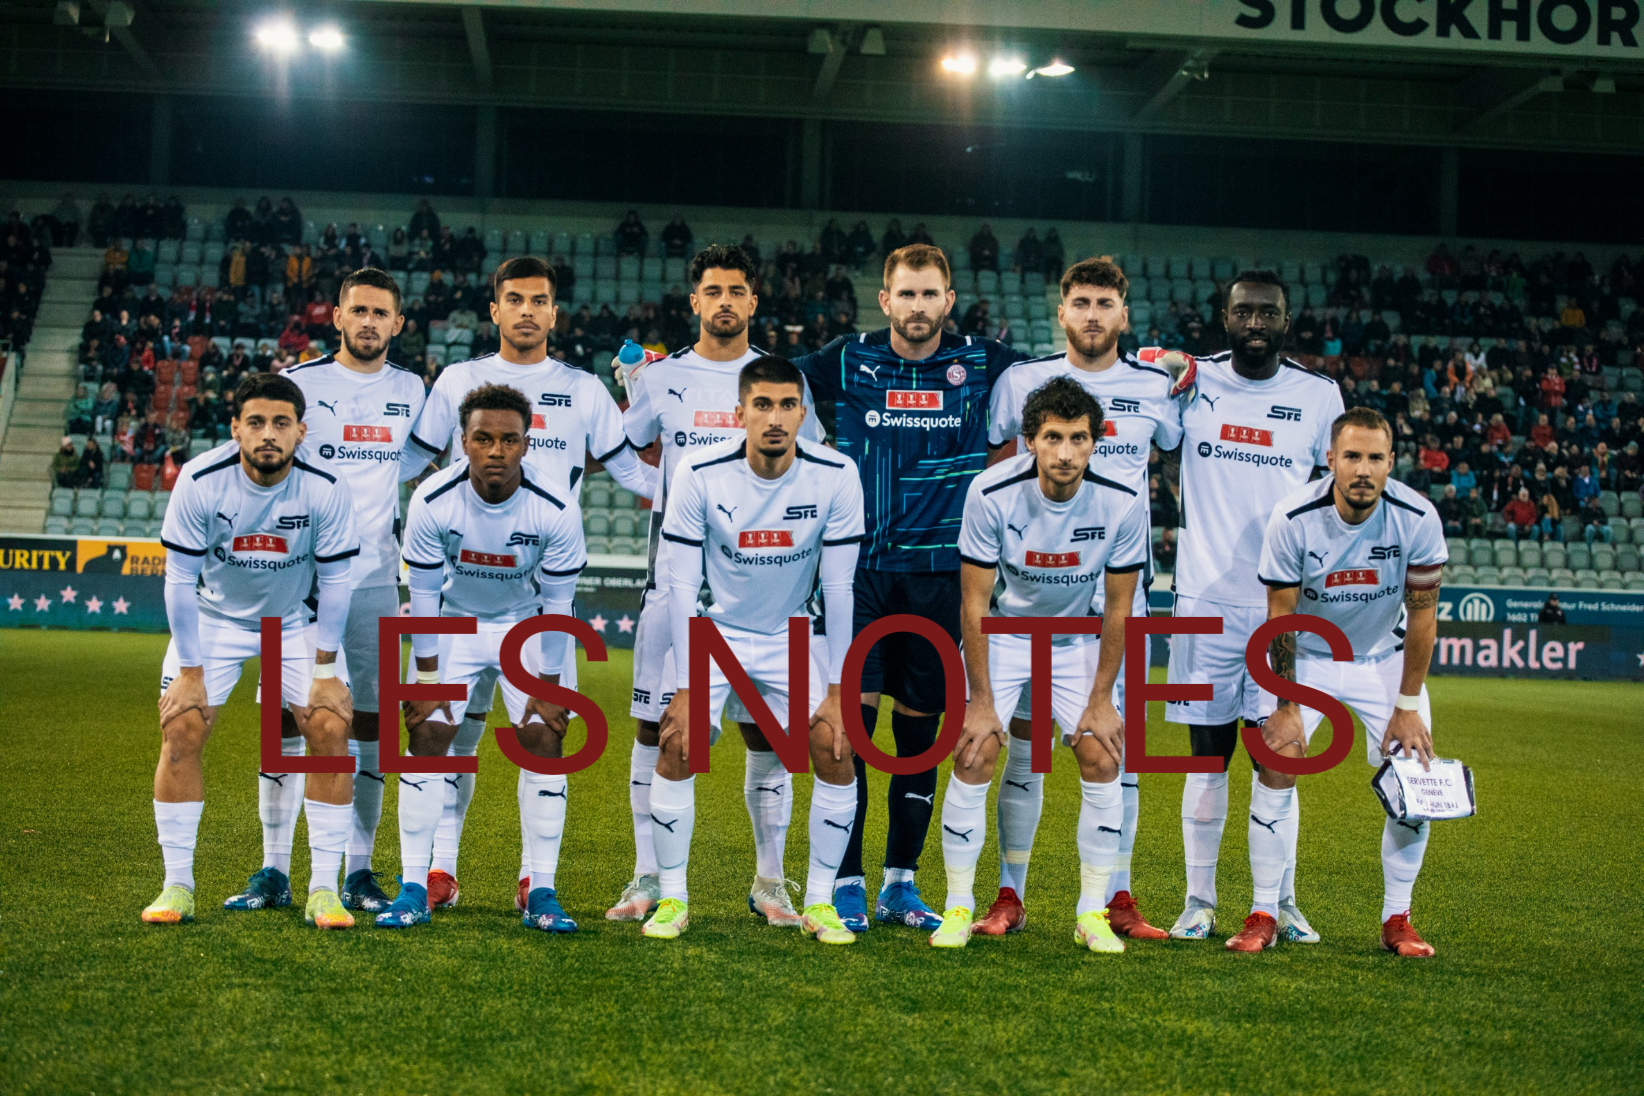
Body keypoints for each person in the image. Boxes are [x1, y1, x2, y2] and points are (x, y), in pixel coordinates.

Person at [787, 243, 1033, 932]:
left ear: (949, 300)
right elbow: (766, 374)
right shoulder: (848, 357)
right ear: (885, 300)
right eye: (907, 294)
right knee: (848, 733)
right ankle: (846, 882)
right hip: (859, 574)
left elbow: (1068, 371)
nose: (918, 307)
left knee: (919, 738)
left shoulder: (986, 361)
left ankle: (902, 882)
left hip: (941, 578)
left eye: (930, 294)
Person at [401, 256, 656, 910]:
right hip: (456, 601)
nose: (526, 311)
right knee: (446, 735)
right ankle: (438, 871)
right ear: (494, 310)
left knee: (545, 736)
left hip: (536, 603)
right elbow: (409, 461)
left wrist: (706, 487)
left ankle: (532, 880)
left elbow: (633, 473)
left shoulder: (584, 390)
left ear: (554, 312)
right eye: (514, 299)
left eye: (538, 300)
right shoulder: (457, 379)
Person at [611, 244, 826, 925]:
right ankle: (648, 875)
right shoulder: (661, 377)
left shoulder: (781, 379)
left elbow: (814, 459)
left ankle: (770, 881)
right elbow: (620, 449)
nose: (725, 301)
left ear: (754, 301)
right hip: (674, 586)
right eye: (713, 290)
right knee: (657, 727)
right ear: (695, 301)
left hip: (766, 588)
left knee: (771, 736)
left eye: (737, 290)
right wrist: (664, 492)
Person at [977, 256, 1181, 939]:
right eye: (1082, 303)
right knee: (1026, 747)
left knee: (1117, 749)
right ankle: (1010, 895)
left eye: (1105, 303)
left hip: (1120, 597)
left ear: (1125, 313)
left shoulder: (1154, 386)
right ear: (1061, 311)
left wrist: (1183, 366)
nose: (1093, 315)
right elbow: (997, 477)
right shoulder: (1021, 381)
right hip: (1033, 596)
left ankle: (1117, 897)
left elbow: (1182, 449)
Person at [221, 269, 431, 918]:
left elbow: (413, 464)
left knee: (368, 722)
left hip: (373, 580)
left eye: (381, 313)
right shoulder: (299, 385)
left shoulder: (412, 390)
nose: (369, 322)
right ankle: (274, 870)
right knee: (283, 720)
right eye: (358, 310)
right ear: (336, 316)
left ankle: (359, 871)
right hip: (296, 579)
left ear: (398, 324)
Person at [642, 356, 865, 945]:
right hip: (718, 630)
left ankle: (820, 901)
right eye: (762, 405)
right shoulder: (699, 471)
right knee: (678, 740)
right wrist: (686, 688)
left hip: (795, 632)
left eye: (787, 405)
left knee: (835, 744)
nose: (775, 418)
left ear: (803, 414)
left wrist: (839, 692)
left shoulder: (837, 473)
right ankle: (673, 897)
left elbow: (840, 586)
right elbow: (682, 584)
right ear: (740, 413)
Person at [935, 376, 1148, 951]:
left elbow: (1119, 608)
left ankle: (1091, 914)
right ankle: (957, 907)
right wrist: (981, 702)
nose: (1065, 453)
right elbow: (974, 603)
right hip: (1003, 635)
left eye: (1079, 438)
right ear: (1029, 440)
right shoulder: (990, 492)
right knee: (975, 752)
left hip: (1075, 639)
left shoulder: (1123, 500)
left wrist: (1101, 699)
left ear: (1095, 442)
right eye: (1053, 437)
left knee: (1103, 755)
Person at [1164, 270, 1345, 945]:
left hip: (1282, 606)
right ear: (1225, 317)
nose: (1256, 322)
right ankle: (1199, 902)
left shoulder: (1319, 396)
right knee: (1205, 758)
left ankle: (1282, 901)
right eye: (1244, 311)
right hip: (1201, 603)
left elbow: (1332, 501)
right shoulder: (1192, 381)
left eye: (1268, 312)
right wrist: (1167, 362)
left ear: (1287, 320)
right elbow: (1141, 394)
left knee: (1280, 757)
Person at [140, 372, 359, 929]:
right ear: (235, 428)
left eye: (281, 423)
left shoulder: (326, 487)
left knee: (331, 728)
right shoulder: (200, 480)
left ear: (301, 432)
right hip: (215, 621)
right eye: (256, 422)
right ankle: (177, 885)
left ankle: (323, 890)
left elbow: (337, 582)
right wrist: (190, 670)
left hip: (294, 620)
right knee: (182, 728)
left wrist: (326, 670)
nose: (268, 434)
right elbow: (178, 579)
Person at [376, 384, 588, 932]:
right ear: (463, 441)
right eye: (483, 438)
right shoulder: (432, 499)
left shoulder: (556, 507)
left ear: (526, 443)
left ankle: (540, 889)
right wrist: (426, 678)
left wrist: (548, 685)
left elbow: (559, 604)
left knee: (544, 739)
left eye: (509, 439)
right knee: (427, 734)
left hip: (528, 622)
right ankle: (414, 887)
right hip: (454, 620)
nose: (496, 450)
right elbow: (424, 594)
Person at [1238, 407, 1446, 956]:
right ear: (1330, 459)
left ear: (1391, 462)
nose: (1363, 470)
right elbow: (1280, 617)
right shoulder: (1293, 517)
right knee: (1277, 760)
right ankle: (1263, 912)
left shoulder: (1417, 517)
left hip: (1381, 657)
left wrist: (1407, 705)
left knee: (1415, 782)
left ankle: (1397, 918)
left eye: (1375, 458)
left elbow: (1423, 616)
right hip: (1306, 656)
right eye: (1351, 456)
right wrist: (1287, 705)